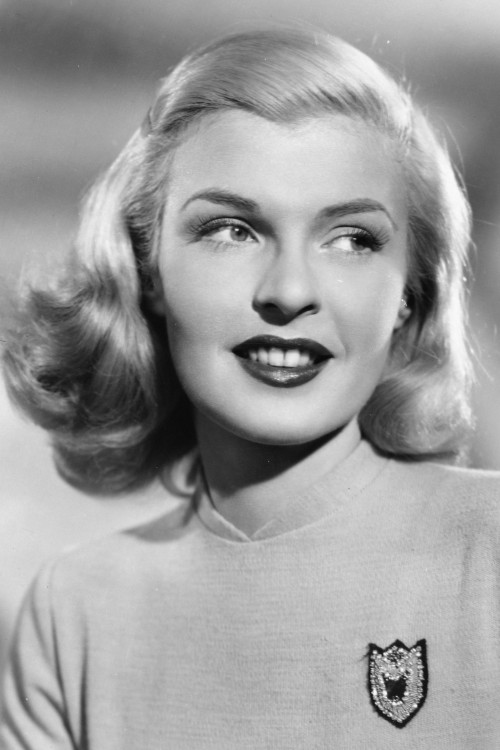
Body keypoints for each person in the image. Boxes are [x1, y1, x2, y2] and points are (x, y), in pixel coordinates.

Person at [1, 25, 499, 749]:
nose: (289, 291)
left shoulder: (488, 550)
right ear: (147, 269)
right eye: (232, 230)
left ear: (408, 295)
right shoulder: (75, 613)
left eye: (352, 239)